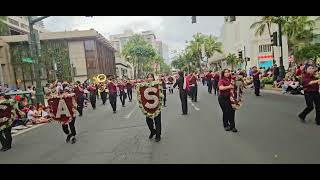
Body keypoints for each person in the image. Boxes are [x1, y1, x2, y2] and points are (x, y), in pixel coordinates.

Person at [145, 73, 162, 142]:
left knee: (157, 121)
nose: (149, 78)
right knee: (148, 121)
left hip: (157, 105)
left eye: (151, 77)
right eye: (148, 77)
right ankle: (152, 131)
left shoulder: (157, 84)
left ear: (153, 78)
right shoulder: (144, 86)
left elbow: (160, 93)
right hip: (148, 106)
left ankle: (158, 135)